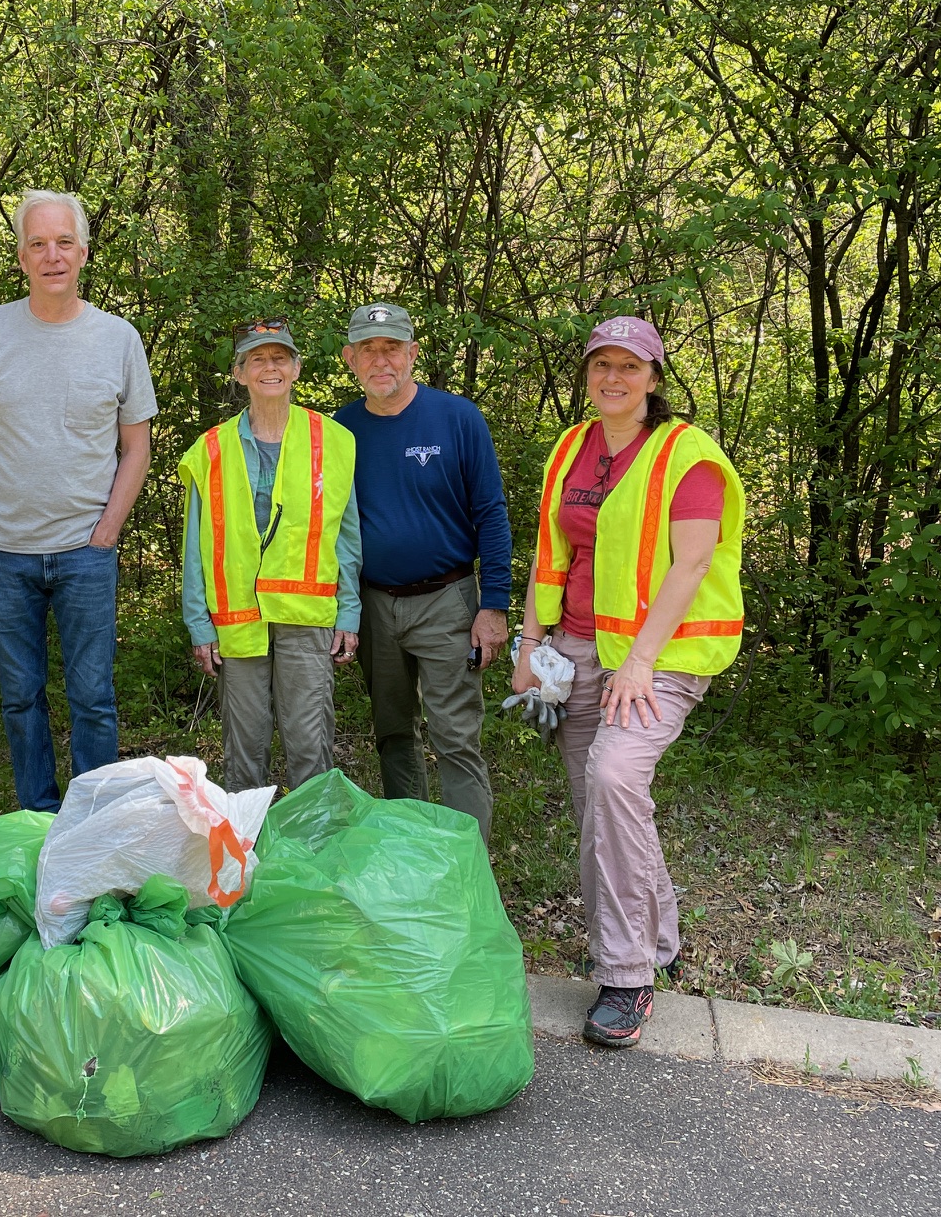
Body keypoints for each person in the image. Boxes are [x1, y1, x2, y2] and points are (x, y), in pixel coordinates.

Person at [513, 314, 744, 1049]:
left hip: (659, 658)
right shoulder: (571, 447)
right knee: (599, 802)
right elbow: (550, 551)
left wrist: (639, 659)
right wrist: (531, 643)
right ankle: (660, 938)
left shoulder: (688, 455)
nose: (613, 378)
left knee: (614, 778)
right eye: (601, 365)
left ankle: (627, 976)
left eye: (629, 366)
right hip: (576, 647)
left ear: (653, 377)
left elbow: (693, 562)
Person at [0, 191, 156, 811]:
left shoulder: (118, 338)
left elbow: (137, 447)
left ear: (84, 252)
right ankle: (38, 816)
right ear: (21, 258)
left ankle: (93, 820)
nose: (52, 255)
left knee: (93, 698)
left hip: (86, 551)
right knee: (19, 698)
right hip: (2, 550)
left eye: (64, 242)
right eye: (37, 244)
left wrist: (108, 529)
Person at [335, 303, 512, 839]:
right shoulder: (340, 430)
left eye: (392, 348)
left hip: (447, 600)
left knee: (455, 735)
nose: (380, 359)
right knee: (392, 731)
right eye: (368, 349)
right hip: (373, 603)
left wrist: (494, 605)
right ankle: (411, 853)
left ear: (412, 353)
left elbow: (491, 513)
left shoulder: (457, 418)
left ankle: (466, 863)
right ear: (349, 359)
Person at [179, 319, 362, 792]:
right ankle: (245, 836)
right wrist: (199, 622)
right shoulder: (210, 449)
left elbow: (346, 536)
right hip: (237, 618)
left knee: (310, 745)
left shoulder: (333, 440)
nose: (270, 367)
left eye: (280, 357)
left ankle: (313, 834)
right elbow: (195, 545)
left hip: (307, 614)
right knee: (244, 749)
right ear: (239, 373)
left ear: (296, 368)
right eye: (257, 359)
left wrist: (349, 612)